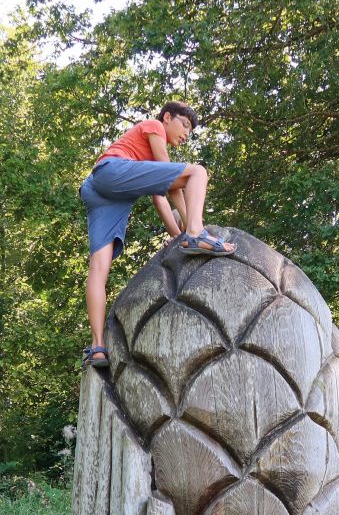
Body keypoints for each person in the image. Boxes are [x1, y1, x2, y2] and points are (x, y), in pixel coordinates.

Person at [79, 101, 235, 369]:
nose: (185, 134)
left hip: (98, 189)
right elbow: (173, 185)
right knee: (197, 171)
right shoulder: (153, 127)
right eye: (184, 125)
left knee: (98, 267)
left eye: (190, 131)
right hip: (111, 171)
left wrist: (179, 236)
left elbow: (160, 199)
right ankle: (197, 233)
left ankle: (97, 347)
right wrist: (193, 229)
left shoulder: (146, 163)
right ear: (166, 117)